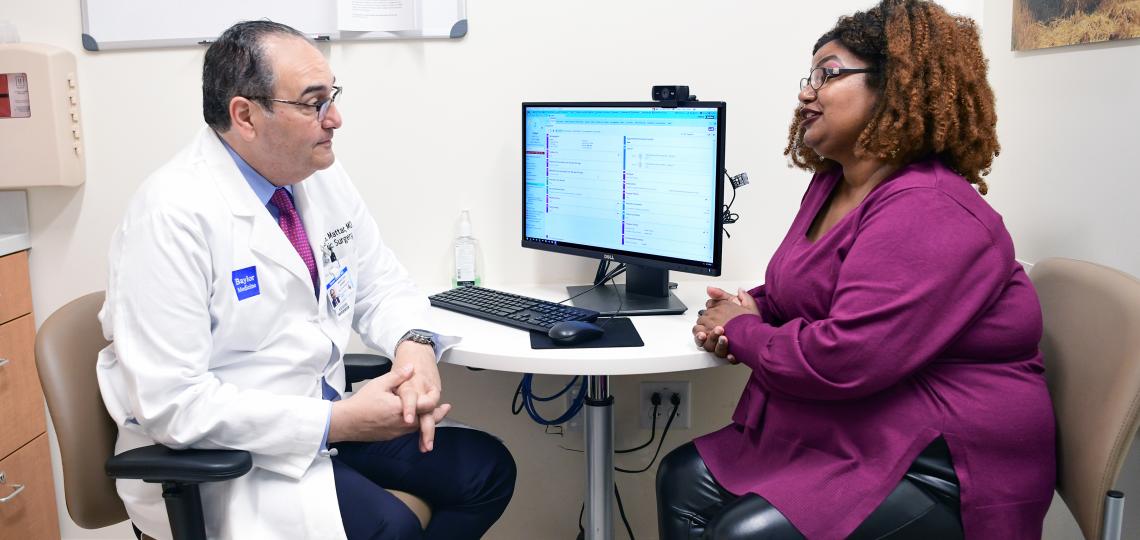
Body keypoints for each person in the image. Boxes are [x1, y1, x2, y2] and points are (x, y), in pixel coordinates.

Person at [96, 20, 515, 540]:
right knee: (393, 528)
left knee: (486, 470)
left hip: (323, 417)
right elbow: (174, 405)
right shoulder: (170, 215)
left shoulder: (316, 177)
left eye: (332, 96)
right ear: (245, 115)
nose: (335, 118)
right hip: (228, 457)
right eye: (313, 103)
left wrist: (416, 346)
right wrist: (336, 424)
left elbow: (380, 283)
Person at [656, 1, 1055, 539]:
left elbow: (842, 361)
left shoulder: (930, 208)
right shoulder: (833, 185)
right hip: (865, 424)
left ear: (897, 86)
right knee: (681, 476)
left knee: (741, 533)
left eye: (829, 73)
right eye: (810, 75)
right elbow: (799, 289)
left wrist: (741, 328)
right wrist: (746, 306)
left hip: (945, 460)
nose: (806, 92)